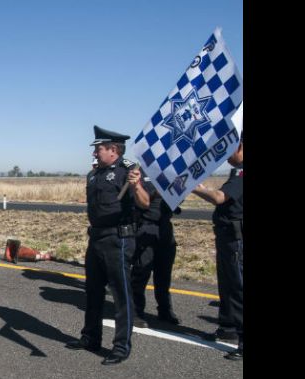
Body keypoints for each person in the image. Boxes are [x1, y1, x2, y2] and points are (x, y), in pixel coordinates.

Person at [66, 126, 150, 365]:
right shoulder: (93, 175)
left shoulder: (129, 172)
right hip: (96, 239)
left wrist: (136, 186)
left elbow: (144, 204)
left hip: (118, 240)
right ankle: (90, 337)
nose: (95, 153)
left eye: (99, 149)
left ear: (113, 150)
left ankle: (121, 346)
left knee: (121, 294)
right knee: (92, 291)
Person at [192, 132, 243, 361]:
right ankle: (228, 328)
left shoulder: (242, 173)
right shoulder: (236, 172)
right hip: (226, 237)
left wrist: (194, 188)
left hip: (236, 239)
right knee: (227, 285)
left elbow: (220, 198)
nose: (226, 155)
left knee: (238, 288)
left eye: (231, 147)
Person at [130, 178, 181, 327]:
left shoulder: (169, 175)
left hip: (165, 227)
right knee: (140, 273)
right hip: (146, 226)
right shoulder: (142, 176)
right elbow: (140, 202)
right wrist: (156, 193)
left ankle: (165, 310)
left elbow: (176, 205)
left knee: (164, 274)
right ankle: (135, 311)